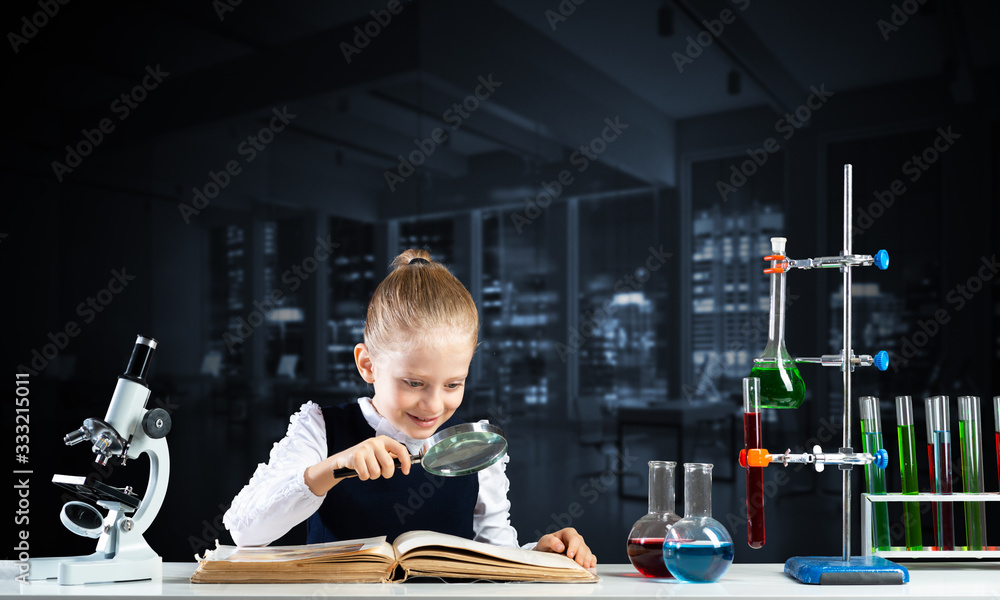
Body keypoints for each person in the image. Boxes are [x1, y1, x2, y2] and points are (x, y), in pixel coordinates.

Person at [223, 249, 596, 569]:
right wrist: (334, 467)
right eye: (414, 383)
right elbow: (245, 530)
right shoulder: (320, 428)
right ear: (367, 364)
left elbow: (497, 558)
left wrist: (541, 555)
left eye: (453, 384)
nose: (434, 405)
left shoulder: (475, 446)